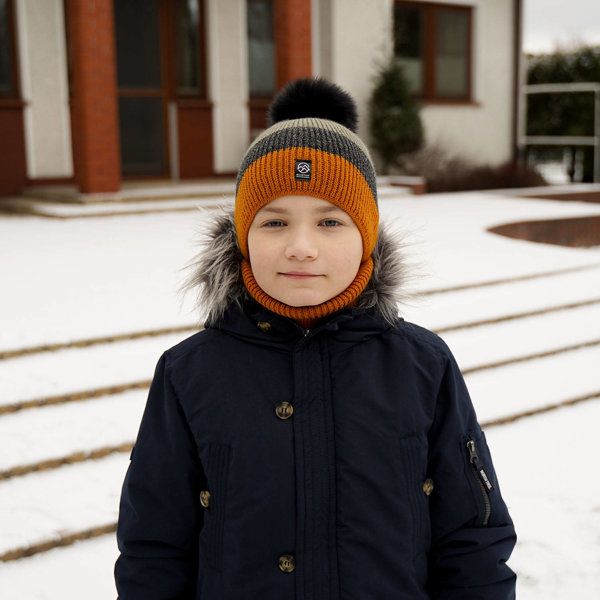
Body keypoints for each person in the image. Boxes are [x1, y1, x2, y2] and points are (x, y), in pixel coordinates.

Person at [115, 78, 516, 599]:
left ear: (366, 237)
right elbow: (154, 545)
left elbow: (472, 534)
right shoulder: (189, 371)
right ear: (242, 238)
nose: (301, 248)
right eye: (274, 222)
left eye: (330, 221)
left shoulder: (423, 364)